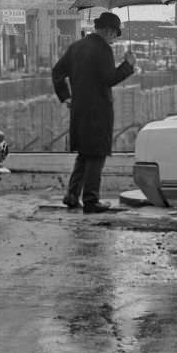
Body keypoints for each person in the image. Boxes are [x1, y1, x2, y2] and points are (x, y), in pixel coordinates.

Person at [51, 11, 136, 214]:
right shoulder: (102, 50)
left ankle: (72, 195)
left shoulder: (76, 47)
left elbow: (57, 72)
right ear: (108, 30)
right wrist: (128, 65)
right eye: (116, 34)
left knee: (84, 155)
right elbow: (110, 78)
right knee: (96, 155)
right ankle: (91, 200)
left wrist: (66, 96)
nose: (115, 39)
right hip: (98, 112)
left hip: (79, 110)